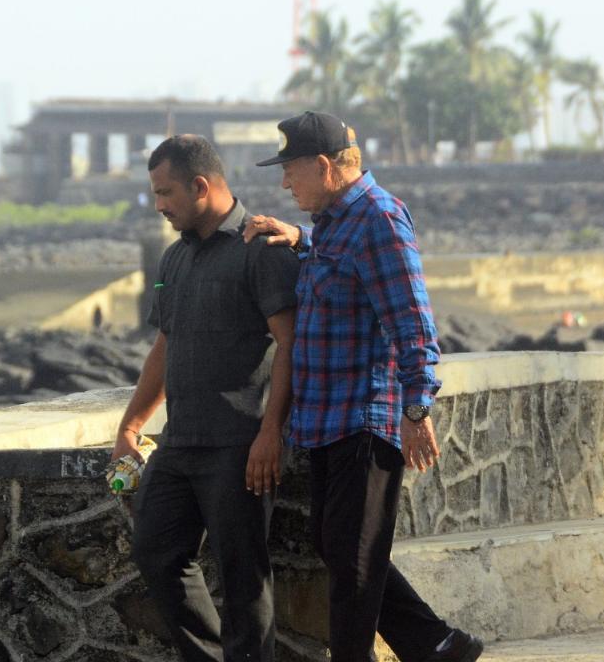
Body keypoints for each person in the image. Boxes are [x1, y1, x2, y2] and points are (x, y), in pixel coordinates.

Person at [243, 111, 483, 662]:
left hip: (364, 418)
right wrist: (299, 238)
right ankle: (436, 645)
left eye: (291, 170)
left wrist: (417, 409)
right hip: (327, 419)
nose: (284, 182)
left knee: (353, 560)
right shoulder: (333, 220)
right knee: (340, 546)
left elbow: (414, 324)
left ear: (326, 167)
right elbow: (342, 270)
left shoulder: (379, 219)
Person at [113, 134, 300, 662]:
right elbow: (164, 347)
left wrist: (271, 433)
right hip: (180, 443)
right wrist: (130, 428)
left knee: (245, 577)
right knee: (156, 552)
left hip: (239, 444)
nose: (159, 205)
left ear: (201, 185)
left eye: (165, 192)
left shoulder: (261, 249)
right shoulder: (174, 259)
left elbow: (289, 343)